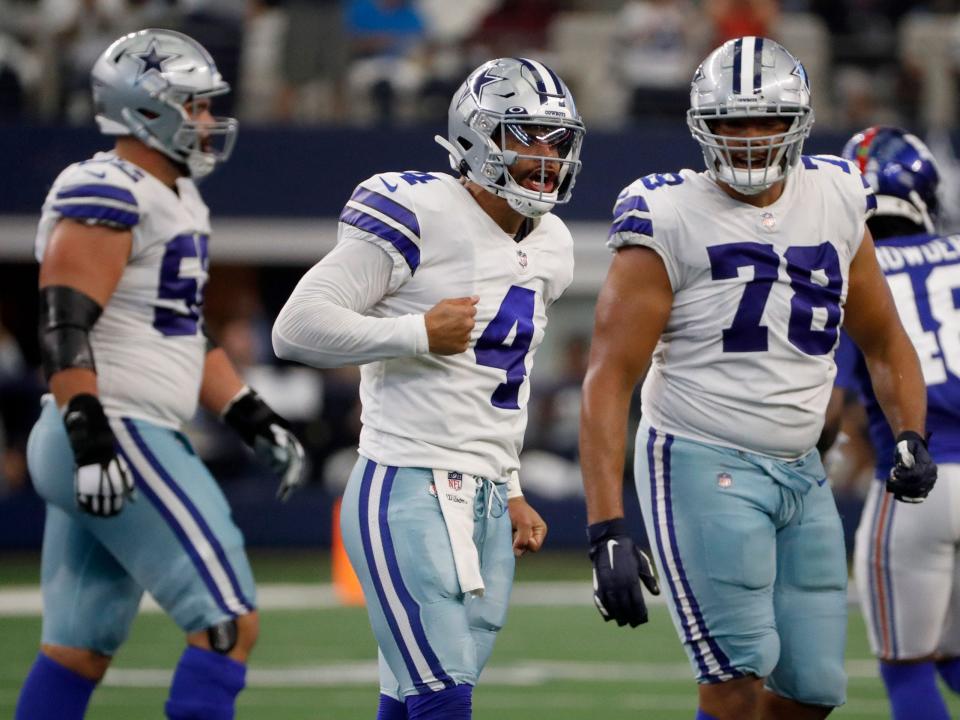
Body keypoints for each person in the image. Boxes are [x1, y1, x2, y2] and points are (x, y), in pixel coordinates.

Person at [579, 36, 937, 720]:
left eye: (765, 119)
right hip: (700, 455)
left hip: (802, 470)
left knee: (812, 692)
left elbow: (885, 338)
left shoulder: (834, 193)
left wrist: (909, 432)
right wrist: (606, 526)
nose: (747, 138)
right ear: (700, 127)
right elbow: (607, 378)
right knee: (736, 681)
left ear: (797, 121)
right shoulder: (666, 213)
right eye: (730, 122)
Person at [272, 56, 585, 719]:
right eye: (525, 135)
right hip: (406, 483)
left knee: (414, 697)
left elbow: (506, 380)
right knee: (445, 699)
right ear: (476, 138)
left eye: (555, 140)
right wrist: (415, 333)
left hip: (490, 495)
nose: (545, 156)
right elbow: (294, 329)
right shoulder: (417, 208)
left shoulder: (554, 242)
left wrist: (514, 482)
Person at [15, 28, 306, 720]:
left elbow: (178, 330)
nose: (208, 120)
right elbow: (62, 325)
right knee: (228, 621)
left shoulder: (173, 196)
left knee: (78, 646)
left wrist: (249, 414)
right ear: (148, 108)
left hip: (114, 425)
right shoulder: (106, 186)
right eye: (195, 106)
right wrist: (92, 439)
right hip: (113, 425)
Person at [826, 126, 960, 720]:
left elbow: (828, 410)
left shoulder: (857, 273)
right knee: (954, 657)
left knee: (905, 670)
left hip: (913, 485)